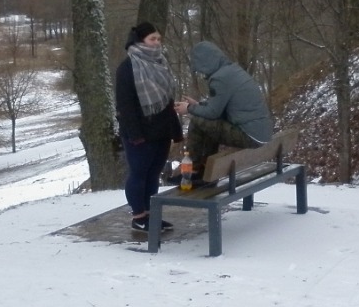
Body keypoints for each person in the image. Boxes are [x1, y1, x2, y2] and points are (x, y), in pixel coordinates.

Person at [114, 22, 188, 232]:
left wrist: (174, 129)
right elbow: (125, 106)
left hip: (161, 130)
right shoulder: (127, 68)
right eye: (152, 39)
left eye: (158, 39)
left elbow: (167, 100)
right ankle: (139, 216)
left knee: (154, 174)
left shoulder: (161, 63)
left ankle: (150, 215)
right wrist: (135, 135)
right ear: (139, 41)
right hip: (139, 133)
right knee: (139, 173)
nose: (157, 43)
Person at [183, 40, 273, 178]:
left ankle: (192, 171)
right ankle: (203, 170)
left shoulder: (220, 78)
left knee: (197, 121)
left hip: (250, 136)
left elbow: (213, 113)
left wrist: (189, 108)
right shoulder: (232, 71)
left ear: (205, 62)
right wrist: (198, 105)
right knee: (207, 123)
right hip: (261, 133)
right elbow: (220, 107)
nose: (200, 72)